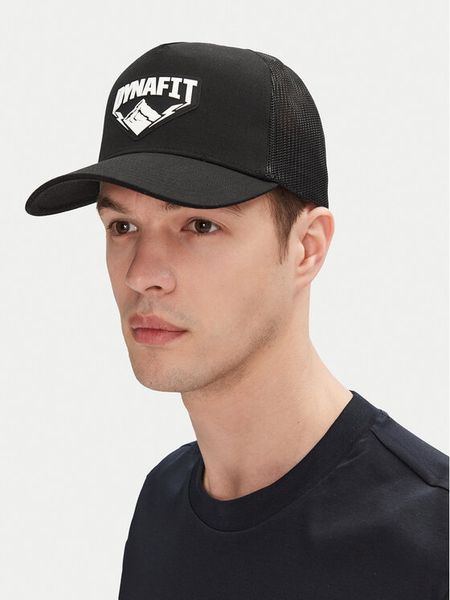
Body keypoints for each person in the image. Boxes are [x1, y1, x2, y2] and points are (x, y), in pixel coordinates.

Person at [25, 41, 448, 599]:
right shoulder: (162, 503)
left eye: (200, 226)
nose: (142, 274)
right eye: (122, 227)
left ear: (306, 248)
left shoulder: (431, 542)